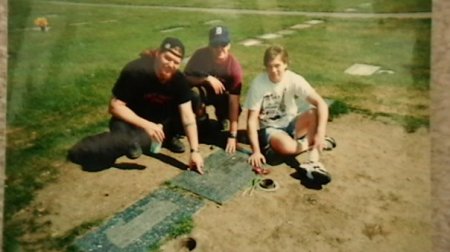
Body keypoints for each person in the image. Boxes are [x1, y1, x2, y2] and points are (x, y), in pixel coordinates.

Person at [68, 37, 204, 174]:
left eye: (176, 62)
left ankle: (165, 137)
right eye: (167, 58)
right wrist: (147, 125)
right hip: (129, 120)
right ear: (157, 54)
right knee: (120, 143)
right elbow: (115, 106)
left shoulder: (178, 79)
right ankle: (118, 143)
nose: (170, 64)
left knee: (192, 98)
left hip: (158, 122)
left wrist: (195, 151)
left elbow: (188, 116)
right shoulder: (136, 70)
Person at [244, 45, 336, 183]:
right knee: (286, 147)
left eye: (277, 65)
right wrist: (256, 151)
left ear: (286, 64)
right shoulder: (258, 83)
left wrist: (321, 133)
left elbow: (321, 104)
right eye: (269, 66)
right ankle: (310, 143)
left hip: (291, 123)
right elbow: (251, 120)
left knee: (314, 113)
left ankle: (313, 162)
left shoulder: (294, 79)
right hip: (271, 129)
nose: (273, 70)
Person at [184, 25, 243, 154]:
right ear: (210, 46)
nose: (219, 49)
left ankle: (222, 118)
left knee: (235, 109)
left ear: (229, 45)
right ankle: (202, 122)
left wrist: (233, 136)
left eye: (223, 44)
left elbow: (234, 102)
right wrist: (205, 78)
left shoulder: (234, 68)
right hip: (203, 92)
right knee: (192, 94)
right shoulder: (200, 55)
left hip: (222, 95)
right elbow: (185, 78)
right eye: (215, 45)